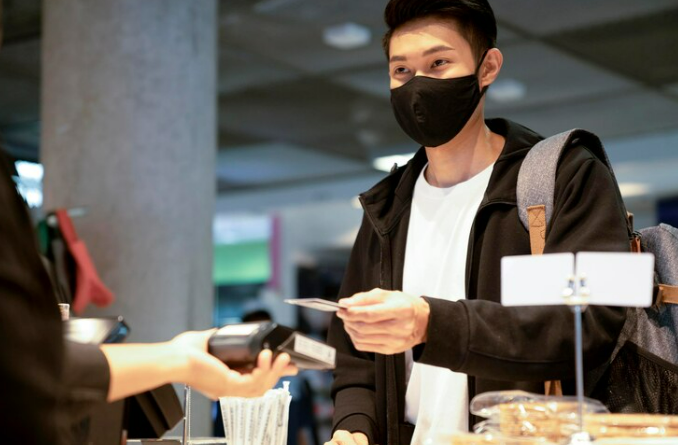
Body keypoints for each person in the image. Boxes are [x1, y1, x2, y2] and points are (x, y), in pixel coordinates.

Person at [326, 1, 630, 445]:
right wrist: (352, 425)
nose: (418, 86)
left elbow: (590, 326)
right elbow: (354, 353)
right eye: (402, 72)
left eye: (439, 63)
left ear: (487, 67)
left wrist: (433, 323)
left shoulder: (564, 177)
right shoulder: (386, 209)